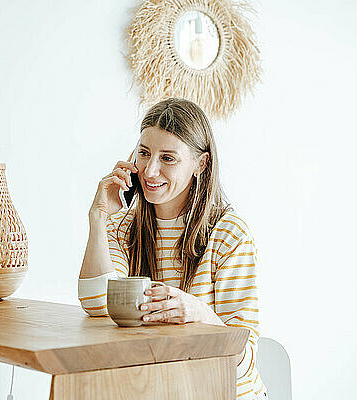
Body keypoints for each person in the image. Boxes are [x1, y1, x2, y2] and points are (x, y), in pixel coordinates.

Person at [78, 98, 267, 399]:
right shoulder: (122, 226)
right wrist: (99, 218)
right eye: (144, 153)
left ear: (200, 164)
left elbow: (243, 360)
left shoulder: (229, 234)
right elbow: (96, 303)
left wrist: (197, 312)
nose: (150, 171)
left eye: (168, 158)